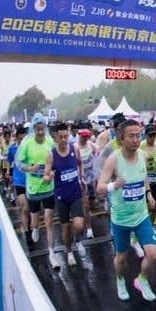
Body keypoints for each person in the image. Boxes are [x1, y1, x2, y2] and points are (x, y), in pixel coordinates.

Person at [97, 119, 156, 301]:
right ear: (121, 138)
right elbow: (99, 187)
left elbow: (144, 176)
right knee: (121, 258)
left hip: (141, 216)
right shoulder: (113, 159)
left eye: (138, 135)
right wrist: (112, 185)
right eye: (131, 136)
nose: (135, 139)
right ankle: (120, 280)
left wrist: (148, 193)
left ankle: (142, 280)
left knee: (153, 255)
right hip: (121, 219)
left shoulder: (142, 155)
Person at [44, 123, 87, 267]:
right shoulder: (51, 154)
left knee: (79, 225)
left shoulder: (74, 148)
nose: (63, 140)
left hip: (75, 192)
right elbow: (46, 174)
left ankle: (78, 241)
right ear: (55, 137)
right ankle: (69, 252)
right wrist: (48, 176)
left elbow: (80, 163)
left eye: (66, 137)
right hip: (61, 196)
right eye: (60, 137)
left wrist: (81, 177)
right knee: (65, 227)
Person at [17, 114, 56, 265]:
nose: (40, 132)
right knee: (35, 220)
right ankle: (35, 228)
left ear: (45, 128)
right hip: (33, 189)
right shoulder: (27, 144)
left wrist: (52, 173)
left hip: (48, 187)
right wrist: (30, 168)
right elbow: (20, 164)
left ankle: (52, 253)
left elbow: (56, 162)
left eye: (43, 129)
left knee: (49, 221)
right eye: (38, 129)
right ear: (34, 129)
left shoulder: (50, 142)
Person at [8, 125, 32, 249]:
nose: (22, 141)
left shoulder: (30, 148)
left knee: (32, 210)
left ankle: (31, 229)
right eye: (20, 138)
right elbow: (10, 162)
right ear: (16, 138)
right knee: (24, 208)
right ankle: (28, 234)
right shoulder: (12, 149)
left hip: (32, 182)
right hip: (19, 182)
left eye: (24, 138)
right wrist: (10, 174)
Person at [140, 125, 156, 225]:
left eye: (154, 135)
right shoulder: (141, 145)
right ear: (146, 136)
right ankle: (146, 220)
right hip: (144, 176)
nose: (152, 138)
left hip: (155, 174)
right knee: (145, 199)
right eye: (150, 136)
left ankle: (155, 218)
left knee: (155, 196)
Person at [74, 127, 97, 238]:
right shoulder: (75, 147)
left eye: (87, 136)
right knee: (86, 205)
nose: (85, 138)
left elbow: (99, 155)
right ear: (79, 135)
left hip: (91, 178)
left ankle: (88, 220)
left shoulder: (91, 145)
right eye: (83, 136)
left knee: (92, 205)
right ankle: (89, 228)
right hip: (80, 179)